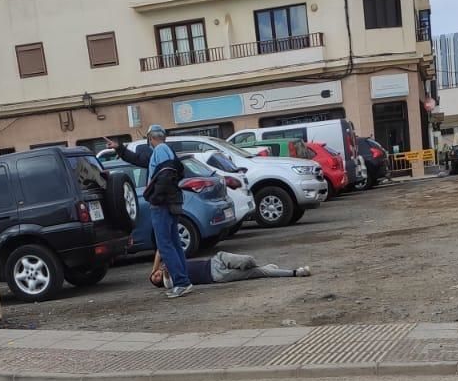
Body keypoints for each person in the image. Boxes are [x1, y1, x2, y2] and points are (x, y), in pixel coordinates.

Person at [107, 127, 193, 299]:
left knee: (165, 245)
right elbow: (139, 159)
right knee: (174, 243)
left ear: (150, 138)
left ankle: (181, 283)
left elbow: (166, 176)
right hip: (170, 203)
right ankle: (184, 281)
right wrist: (120, 148)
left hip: (162, 205)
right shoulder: (165, 151)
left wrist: (155, 197)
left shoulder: (160, 151)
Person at [150, 250, 311, 289]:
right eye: (156, 279)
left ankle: (263, 267)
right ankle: (295, 272)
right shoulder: (172, 283)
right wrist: (162, 271)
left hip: (215, 260)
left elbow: (160, 249)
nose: (158, 274)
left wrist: (154, 268)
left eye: (155, 274)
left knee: (249, 260)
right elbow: (164, 278)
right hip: (218, 275)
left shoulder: (173, 266)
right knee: (258, 273)